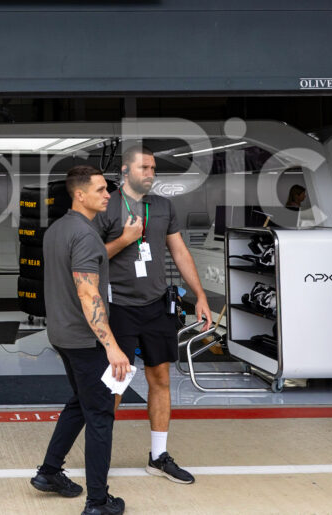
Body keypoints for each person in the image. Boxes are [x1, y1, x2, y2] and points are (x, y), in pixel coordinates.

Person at [97, 146, 212, 485]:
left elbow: (179, 251)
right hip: (118, 307)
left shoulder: (162, 206)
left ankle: (158, 457)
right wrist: (124, 239)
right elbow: (92, 256)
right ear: (125, 170)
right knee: (115, 385)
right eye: (144, 167)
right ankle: (99, 458)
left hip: (157, 306)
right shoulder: (106, 205)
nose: (150, 173)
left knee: (160, 379)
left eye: (153, 167)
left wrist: (200, 296)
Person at [31, 165, 129, 515]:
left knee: (80, 403)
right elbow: (89, 295)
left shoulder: (57, 230)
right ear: (80, 195)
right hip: (85, 342)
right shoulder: (85, 237)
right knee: (101, 415)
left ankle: (49, 472)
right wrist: (112, 346)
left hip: (61, 335)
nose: (107, 195)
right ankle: (98, 502)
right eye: (101, 189)